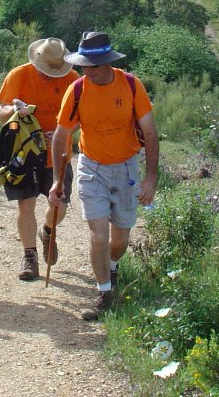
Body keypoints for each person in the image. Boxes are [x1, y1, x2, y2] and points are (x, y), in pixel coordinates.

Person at [47, 31, 159, 320]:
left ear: (108, 63)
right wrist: (58, 179)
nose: (87, 70)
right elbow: (61, 136)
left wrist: (150, 179)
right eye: (83, 65)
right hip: (91, 167)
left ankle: (111, 266)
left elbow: (150, 132)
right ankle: (104, 292)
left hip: (126, 168)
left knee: (120, 239)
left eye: (93, 66)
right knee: (99, 234)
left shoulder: (131, 86)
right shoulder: (78, 90)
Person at [0, 38, 79, 281]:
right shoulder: (19, 75)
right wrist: (15, 111)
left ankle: (48, 230)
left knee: (59, 206)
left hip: (58, 154)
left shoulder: (73, 79)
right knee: (26, 204)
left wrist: (64, 131)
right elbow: (1, 114)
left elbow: (82, 114)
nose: (52, 74)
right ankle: (29, 256)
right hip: (24, 152)